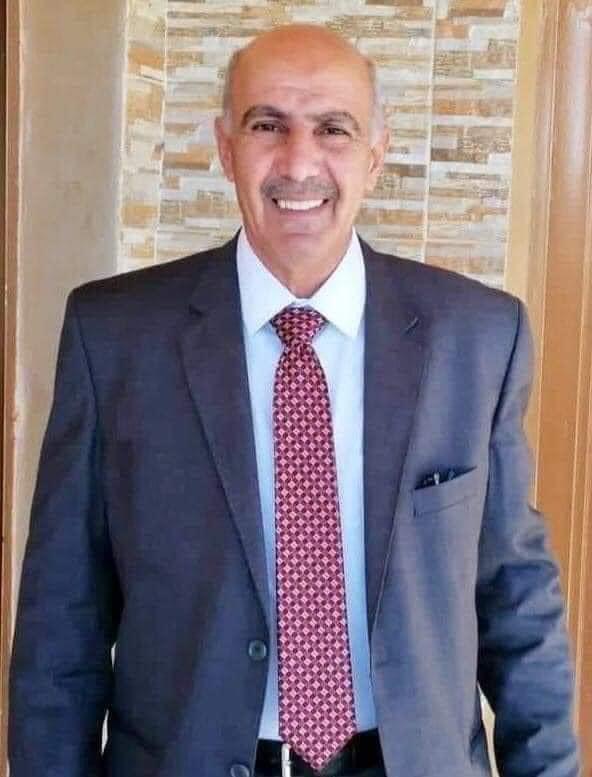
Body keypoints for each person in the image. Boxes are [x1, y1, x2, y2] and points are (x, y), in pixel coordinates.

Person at [9, 23, 580, 777]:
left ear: (375, 153)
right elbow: (62, 619)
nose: (299, 162)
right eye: (267, 125)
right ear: (226, 149)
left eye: (333, 128)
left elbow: (516, 596)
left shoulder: (477, 336)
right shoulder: (114, 335)